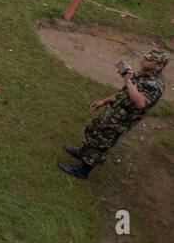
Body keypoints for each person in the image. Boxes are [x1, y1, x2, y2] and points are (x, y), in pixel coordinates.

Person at [61, 49, 167, 179]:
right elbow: (125, 93)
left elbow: (140, 103)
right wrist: (104, 101)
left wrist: (128, 80)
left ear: (159, 66)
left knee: (101, 142)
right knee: (93, 130)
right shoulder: (143, 74)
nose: (143, 61)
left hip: (122, 120)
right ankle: (82, 152)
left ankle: (82, 170)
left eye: (148, 60)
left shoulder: (155, 85)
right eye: (144, 57)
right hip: (113, 111)